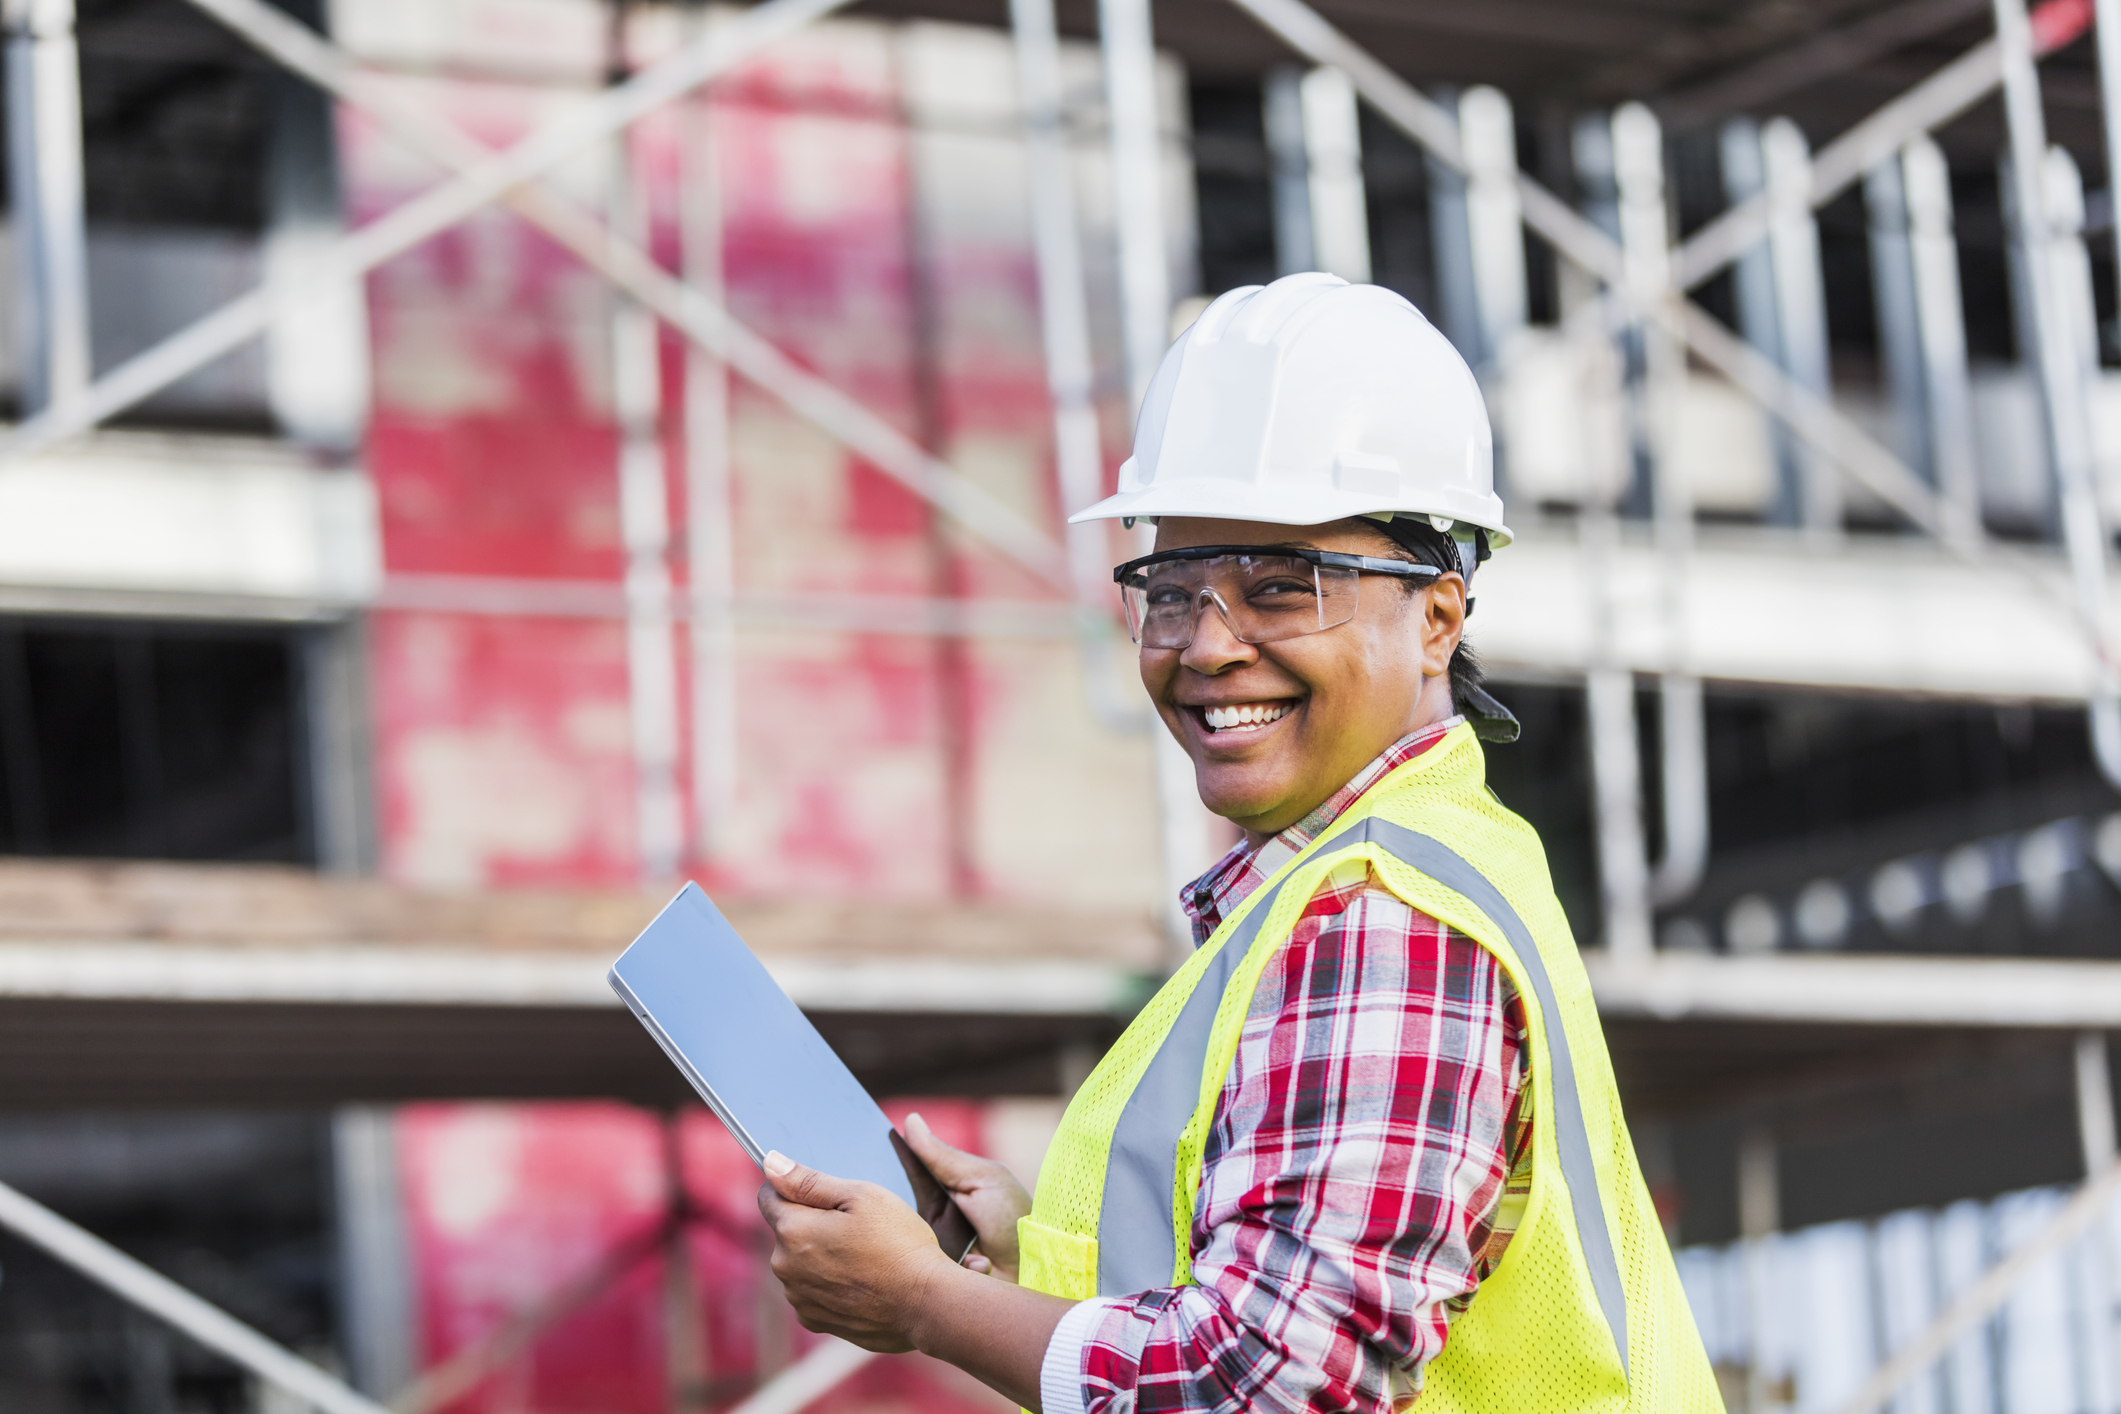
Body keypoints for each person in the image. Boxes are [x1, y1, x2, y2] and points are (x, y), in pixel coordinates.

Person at [757, 273, 1723, 1412]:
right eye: (1169, 589)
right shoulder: (1367, 877)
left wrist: (930, 1303)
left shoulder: (1382, 912)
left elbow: (1266, 1387)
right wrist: (1024, 1261)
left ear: (1439, 618)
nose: (1207, 646)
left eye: (1281, 586)